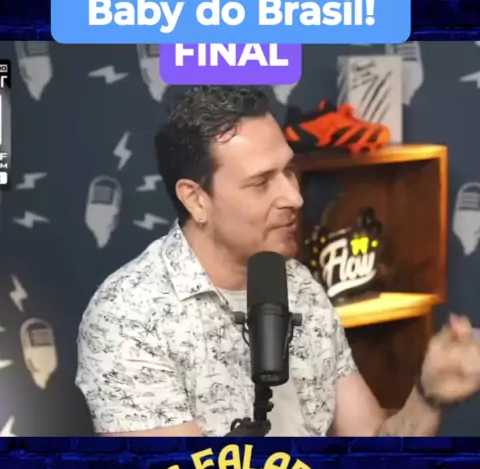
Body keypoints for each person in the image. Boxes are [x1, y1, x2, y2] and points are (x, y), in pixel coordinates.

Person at [76, 85, 480, 437]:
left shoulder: (299, 284)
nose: (295, 197)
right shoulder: (128, 316)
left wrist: (427, 397)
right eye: (261, 182)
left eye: (289, 171)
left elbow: (375, 456)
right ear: (196, 199)